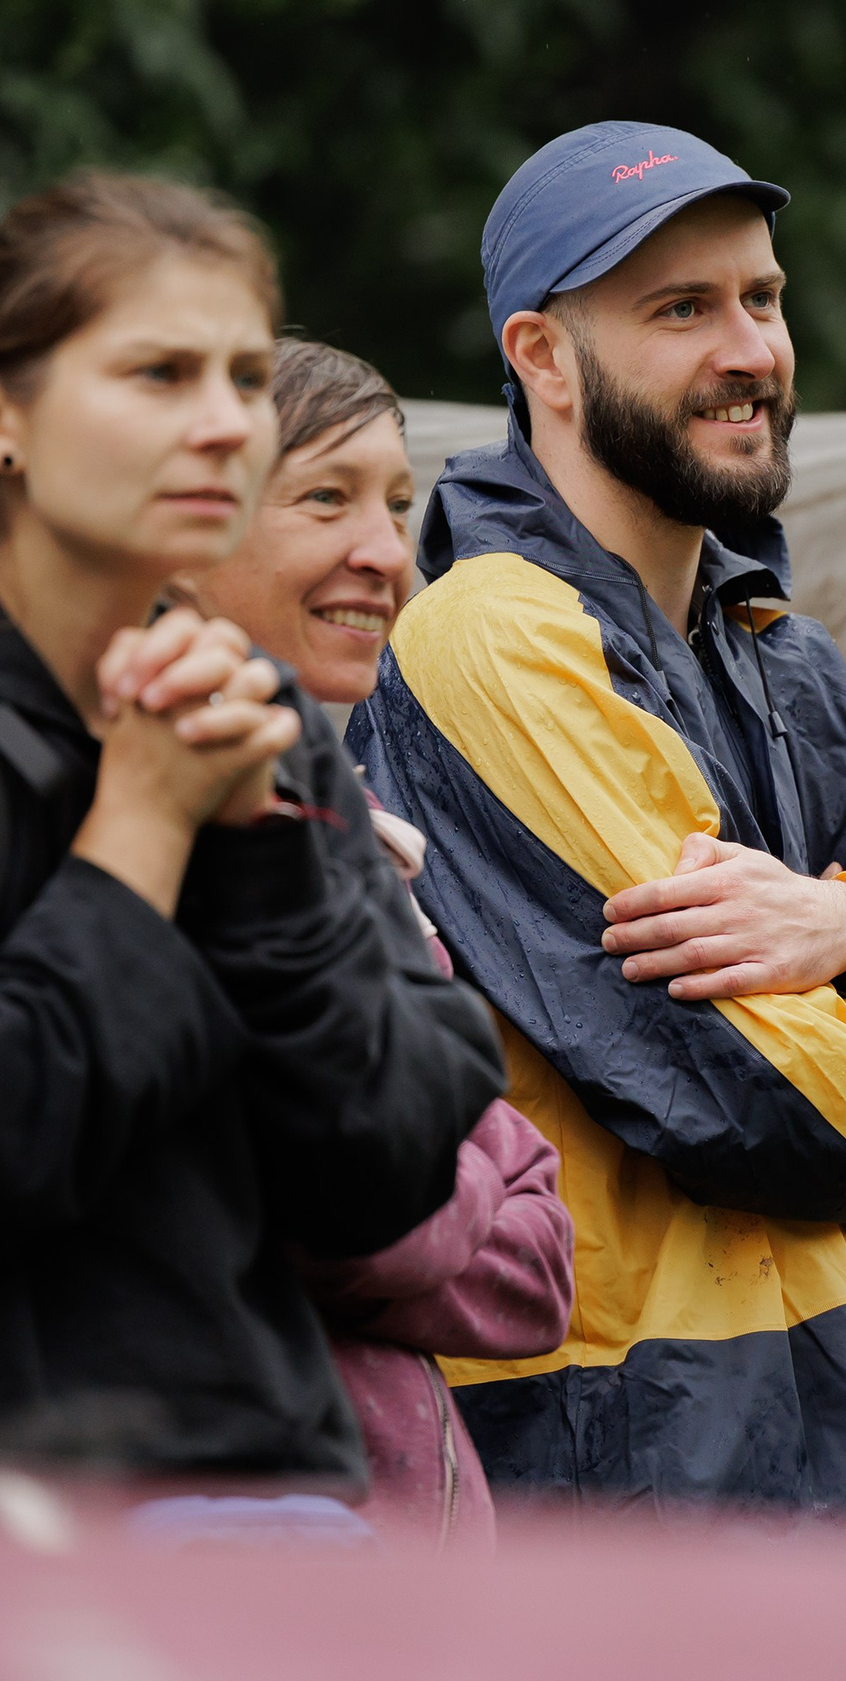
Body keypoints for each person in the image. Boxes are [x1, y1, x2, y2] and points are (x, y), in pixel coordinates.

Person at [0, 172, 506, 1486]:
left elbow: (390, 1166)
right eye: (158, 375)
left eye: (244, 379)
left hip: (254, 1488)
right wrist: (136, 831)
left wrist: (255, 846)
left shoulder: (263, 723)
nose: (221, 425)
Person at [347, 123, 846, 1538]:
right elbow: (761, 1098)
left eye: (763, 296)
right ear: (543, 360)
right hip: (662, 1465)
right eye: (680, 310)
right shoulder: (490, 636)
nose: (748, 348)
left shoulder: (782, 652)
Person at [170, 338, 573, 1550]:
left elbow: (546, 1260)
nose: (386, 555)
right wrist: (457, 1183)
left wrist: (428, 1183)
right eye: (324, 499)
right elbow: (357, 1220)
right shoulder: (147, 829)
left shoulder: (365, 842)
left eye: (398, 506)